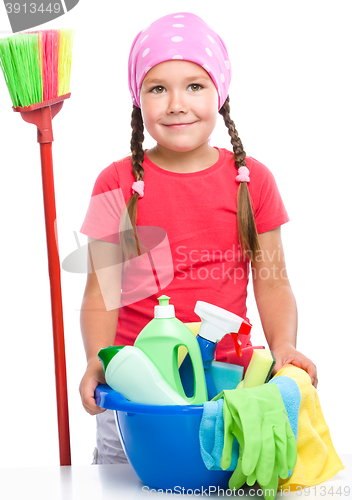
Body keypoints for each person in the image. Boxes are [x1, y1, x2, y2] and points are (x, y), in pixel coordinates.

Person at [78, 11, 317, 465]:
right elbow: (101, 294)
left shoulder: (252, 181)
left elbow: (273, 282)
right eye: (157, 88)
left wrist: (283, 345)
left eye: (194, 85)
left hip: (226, 383)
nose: (176, 103)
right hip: (135, 387)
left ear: (220, 92)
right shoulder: (115, 181)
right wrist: (99, 358)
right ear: (138, 99)